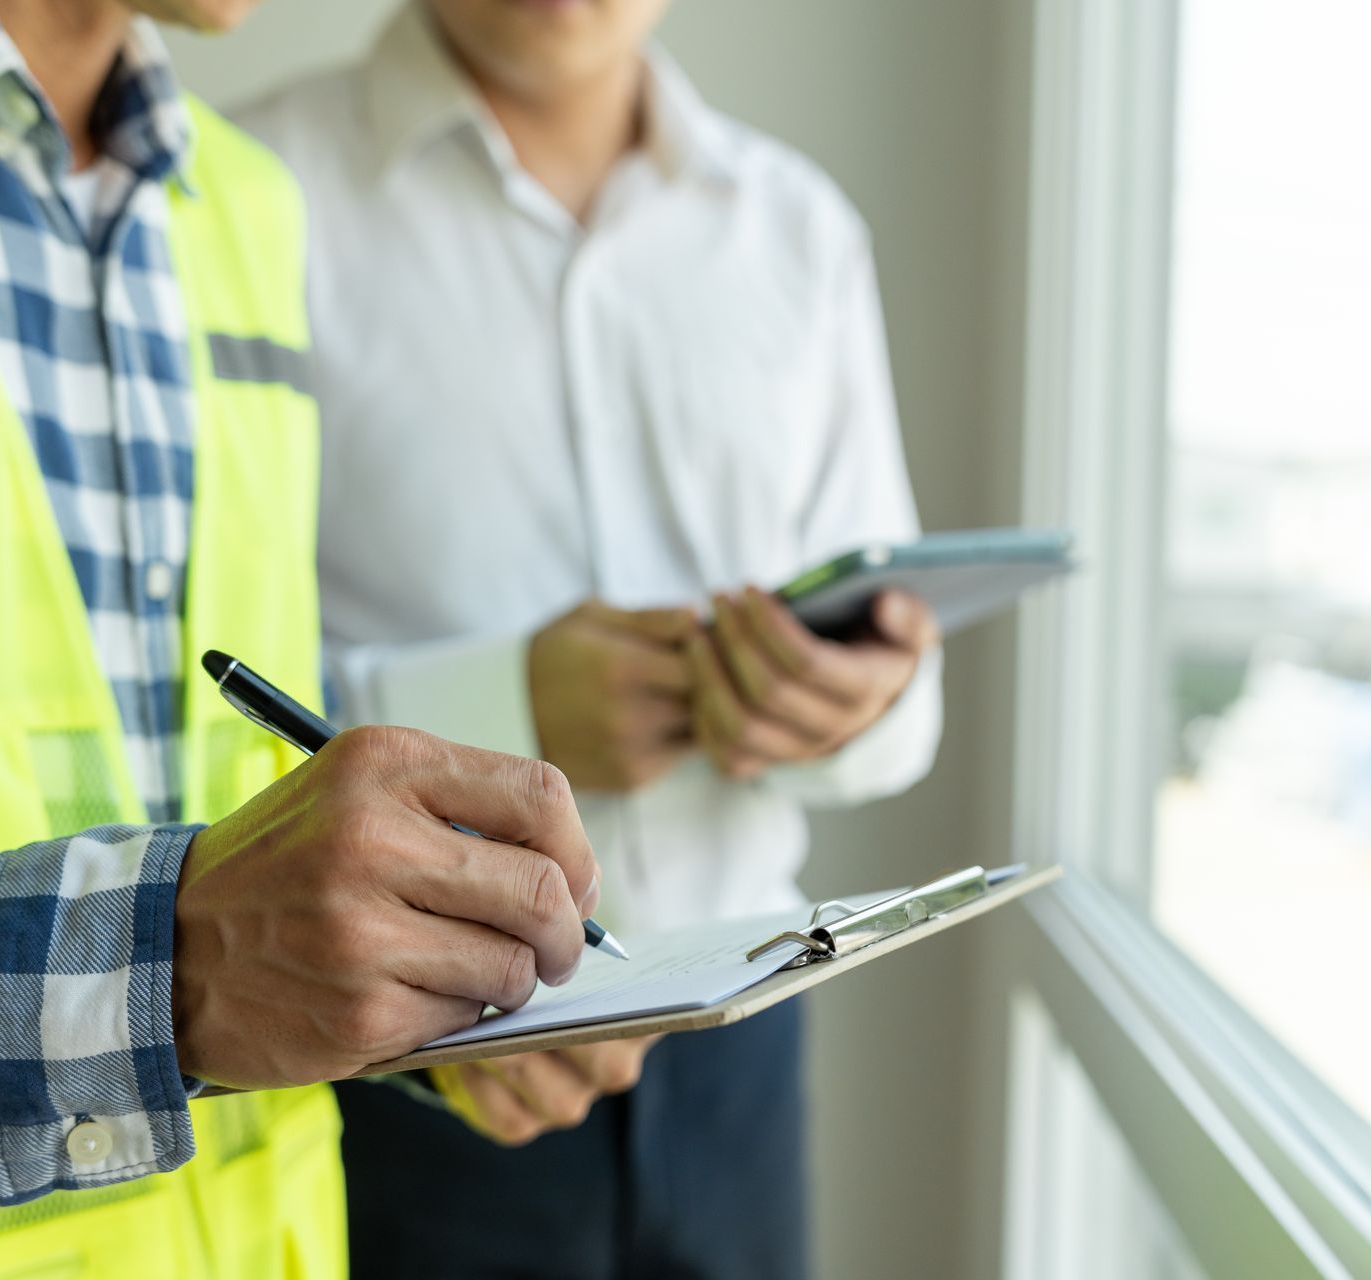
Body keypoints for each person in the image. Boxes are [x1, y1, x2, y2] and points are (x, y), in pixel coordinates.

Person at [0, 0, 609, 1275]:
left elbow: (205, 796)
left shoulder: (241, 210)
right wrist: (168, 966)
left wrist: (409, 964)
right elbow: (180, 933)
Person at [237, 1, 943, 1274]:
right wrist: (508, 708)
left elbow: (902, 699)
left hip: (747, 1037)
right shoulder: (248, 199)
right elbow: (187, 691)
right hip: (419, 1051)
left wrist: (851, 704)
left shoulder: (800, 231)